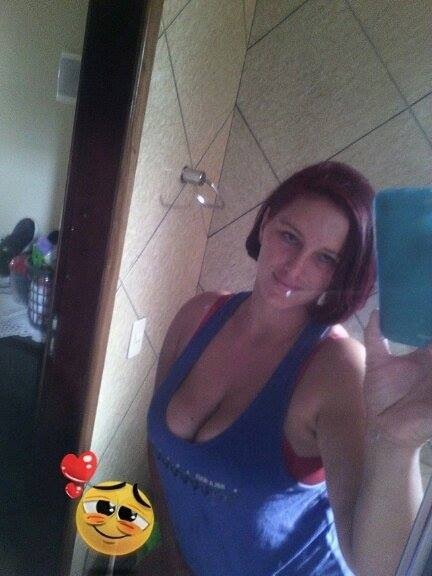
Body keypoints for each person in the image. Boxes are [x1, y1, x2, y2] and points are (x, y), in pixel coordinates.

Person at [144, 161, 432, 576]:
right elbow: (157, 448)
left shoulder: (337, 370)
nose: (294, 269)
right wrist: (171, 551)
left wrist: (397, 443)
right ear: (265, 224)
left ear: (343, 272)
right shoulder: (197, 315)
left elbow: (380, 568)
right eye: (290, 236)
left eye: (326, 258)